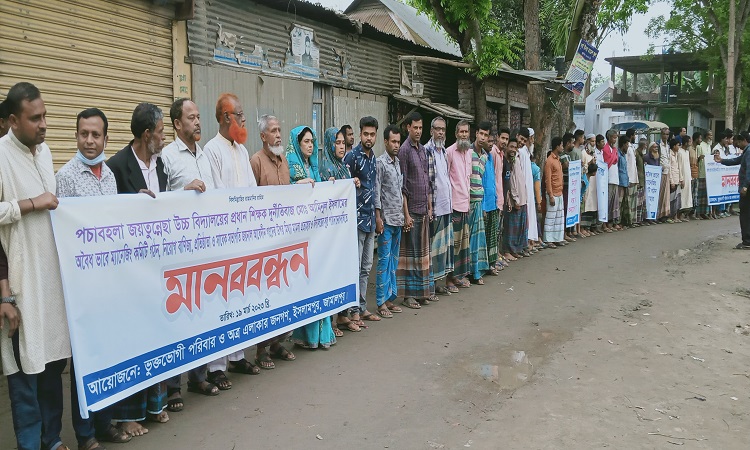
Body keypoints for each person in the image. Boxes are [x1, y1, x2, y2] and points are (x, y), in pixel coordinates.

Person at [56, 108, 133, 449]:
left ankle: (106, 423)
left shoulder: (110, 177)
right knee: (85, 359)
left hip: (109, 284)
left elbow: (114, 221)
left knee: (110, 353)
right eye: (83, 134)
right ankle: (85, 432)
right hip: (82, 287)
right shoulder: (66, 177)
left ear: (105, 138)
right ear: (76, 136)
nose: (89, 141)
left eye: (95, 135)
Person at [0, 82, 69, 450]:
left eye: (45, 116)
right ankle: (30, 443)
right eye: (35, 118)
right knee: (24, 370)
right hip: (20, 284)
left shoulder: (44, 153)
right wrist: (30, 203)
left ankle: (52, 439)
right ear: (13, 120)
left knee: (52, 363)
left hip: (51, 282)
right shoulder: (0, 157)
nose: (43, 124)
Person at [106, 102, 169, 436]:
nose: (164, 137)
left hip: (156, 266)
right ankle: (127, 415)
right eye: (161, 131)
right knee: (132, 341)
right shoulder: (117, 166)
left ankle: (153, 406)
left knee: (156, 332)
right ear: (147, 134)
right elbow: (107, 216)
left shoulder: (160, 166)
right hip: (127, 271)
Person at [161, 98, 220, 409]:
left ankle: (199, 376)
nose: (198, 122)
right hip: (177, 252)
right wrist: (182, 193)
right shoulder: (167, 157)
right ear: (176, 124)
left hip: (204, 248)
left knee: (201, 314)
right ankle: (173, 386)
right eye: (191, 117)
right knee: (176, 319)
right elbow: (156, 201)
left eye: (199, 116)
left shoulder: (204, 156)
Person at [202, 94, 260, 387]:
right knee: (220, 300)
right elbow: (215, 195)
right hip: (223, 239)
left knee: (241, 296)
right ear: (226, 117)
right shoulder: (211, 151)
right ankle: (216, 366)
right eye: (240, 114)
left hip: (244, 236)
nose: (244, 119)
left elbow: (251, 189)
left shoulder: (241, 150)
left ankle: (237, 357)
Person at [247, 114, 299, 367]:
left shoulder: (284, 160)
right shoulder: (256, 161)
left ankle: (279, 342)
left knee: (283, 292)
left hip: (284, 239)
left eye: (280, 129)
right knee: (264, 296)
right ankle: (262, 350)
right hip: (264, 241)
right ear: (262, 136)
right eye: (273, 130)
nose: (278, 134)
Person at [288, 126, 337, 349]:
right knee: (306, 283)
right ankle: (306, 336)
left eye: (311, 141)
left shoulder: (314, 167)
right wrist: (297, 185)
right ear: (297, 144)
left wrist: (336, 187)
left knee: (320, 281)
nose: (310, 145)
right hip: (299, 236)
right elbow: (282, 193)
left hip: (317, 235)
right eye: (306, 141)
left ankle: (322, 335)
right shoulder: (291, 167)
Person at [318, 127, 362, 334]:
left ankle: (343, 316)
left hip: (345, 231)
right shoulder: (326, 168)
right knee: (333, 275)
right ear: (329, 144)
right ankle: (332, 321)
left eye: (343, 143)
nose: (341, 146)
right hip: (331, 234)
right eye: (337, 142)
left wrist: (352, 183)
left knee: (346, 272)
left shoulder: (342, 167)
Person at [343, 117, 382, 321]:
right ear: (360, 134)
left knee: (367, 267)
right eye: (365, 134)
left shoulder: (373, 157)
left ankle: (363, 306)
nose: (369, 138)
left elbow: (374, 189)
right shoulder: (352, 157)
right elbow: (344, 186)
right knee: (356, 266)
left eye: (372, 134)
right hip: (356, 221)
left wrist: (377, 216)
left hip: (370, 220)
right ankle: (353, 311)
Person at [397, 112, 434, 306]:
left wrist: (429, 207)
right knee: (410, 255)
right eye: (415, 128)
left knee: (421, 254)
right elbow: (402, 185)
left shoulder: (422, 150)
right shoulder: (404, 150)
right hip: (411, 210)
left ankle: (421, 292)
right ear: (408, 128)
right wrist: (406, 215)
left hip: (423, 210)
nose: (418, 131)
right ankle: (408, 296)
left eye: (421, 128)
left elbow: (427, 181)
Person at [374, 125, 405, 318]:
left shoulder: (397, 162)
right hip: (386, 221)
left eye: (398, 142)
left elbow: (400, 191)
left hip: (398, 220)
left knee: (393, 261)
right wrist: (378, 217)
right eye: (393, 141)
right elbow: (377, 192)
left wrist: (405, 215)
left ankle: (389, 298)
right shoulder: (380, 163)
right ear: (385, 141)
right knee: (383, 262)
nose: (396, 145)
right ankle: (380, 302)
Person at [425, 117, 454, 297]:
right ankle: (430, 285)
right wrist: (429, 207)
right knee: (433, 249)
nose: (441, 132)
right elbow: (428, 182)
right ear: (431, 131)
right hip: (435, 207)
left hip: (446, 207)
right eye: (437, 129)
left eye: (443, 129)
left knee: (443, 249)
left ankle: (438, 283)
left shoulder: (443, 151)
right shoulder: (427, 151)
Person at [445, 120, 472, 291]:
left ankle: (458, 277)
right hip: (454, 205)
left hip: (465, 204)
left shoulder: (469, 152)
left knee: (463, 244)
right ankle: (448, 280)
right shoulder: (449, 152)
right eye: (461, 132)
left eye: (466, 132)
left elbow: (467, 179)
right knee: (453, 245)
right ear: (456, 134)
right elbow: (447, 178)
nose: (463, 135)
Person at [715, 132, 750, 249]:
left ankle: (747, 241)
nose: (737, 145)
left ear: (744, 140)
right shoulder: (747, 151)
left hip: (747, 189)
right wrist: (722, 161)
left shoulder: (749, 151)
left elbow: (749, 170)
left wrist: (745, 186)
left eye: (738, 142)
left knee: (745, 214)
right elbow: (737, 160)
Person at [481, 122, 502, 274]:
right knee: (483, 238)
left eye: (492, 142)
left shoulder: (489, 157)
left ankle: (491, 264)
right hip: (483, 204)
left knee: (492, 236)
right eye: (488, 142)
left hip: (492, 202)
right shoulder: (479, 157)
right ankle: (483, 266)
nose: (491, 144)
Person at [502, 138, 528, 256]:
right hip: (514, 199)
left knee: (520, 227)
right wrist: (515, 198)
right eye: (511, 147)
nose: (513, 149)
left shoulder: (517, 159)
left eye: (515, 147)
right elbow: (511, 182)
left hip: (522, 197)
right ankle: (510, 250)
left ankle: (518, 249)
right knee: (512, 228)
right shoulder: (508, 162)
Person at [516, 128, 540, 250]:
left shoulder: (525, 151)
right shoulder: (519, 151)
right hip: (522, 187)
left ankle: (531, 239)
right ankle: (526, 241)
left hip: (528, 188)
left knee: (531, 213)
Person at [544, 137, 566, 247]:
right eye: (562, 145)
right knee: (551, 218)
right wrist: (550, 195)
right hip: (553, 193)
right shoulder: (549, 161)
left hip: (559, 192)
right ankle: (548, 240)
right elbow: (548, 179)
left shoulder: (557, 159)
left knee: (559, 218)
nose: (563, 147)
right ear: (557, 146)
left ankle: (557, 238)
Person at [602, 129, 620, 231]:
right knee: (607, 202)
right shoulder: (606, 149)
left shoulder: (614, 149)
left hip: (615, 178)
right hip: (608, 179)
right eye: (614, 137)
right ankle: (605, 223)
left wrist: (614, 156)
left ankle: (612, 222)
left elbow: (616, 159)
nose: (615, 139)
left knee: (614, 202)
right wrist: (614, 156)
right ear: (609, 137)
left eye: (616, 137)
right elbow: (608, 161)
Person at [623, 128, 639, 227]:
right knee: (628, 201)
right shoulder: (627, 148)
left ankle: (633, 220)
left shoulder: (632, 147)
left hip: (634, 177)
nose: (635, 137)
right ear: (631, 136)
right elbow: (626, 164)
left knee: (633, 201)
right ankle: (628, 221)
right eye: (634, 135)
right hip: (629, 177)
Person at [657, 127, 672, 222]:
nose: (665, 136)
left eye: (667, 134)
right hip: (661, 172)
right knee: (661, 194)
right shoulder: (658, 145)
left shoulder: (668, 146)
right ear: (661, 135)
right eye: (664, 134)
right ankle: (659, 215)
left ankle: (665, 215)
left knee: (666, 195)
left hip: (667, 172)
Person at [695, 131, 712, 219]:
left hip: (708, 173)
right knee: (700, 194)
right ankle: (698, 213)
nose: (711, 137)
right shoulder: (700, 146)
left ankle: (704, 212)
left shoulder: (709, 146)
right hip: (701, 172)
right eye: (709, 135)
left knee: (706, 195)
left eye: (712, 135)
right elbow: (696, 160)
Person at [667, 138, 684, 223]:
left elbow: (679, 167)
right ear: (674, 146)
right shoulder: (669, 155)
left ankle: (675, 217)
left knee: (677, 199)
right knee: (672, 199)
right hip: (673, 179)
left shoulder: (678, 154)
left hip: (677, 179)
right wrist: (671, 181)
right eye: (678, 145)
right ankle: (670, 216)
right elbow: (669, 169)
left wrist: (681, 179)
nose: (679, 147)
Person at [678, 134, 694, 220]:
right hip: (683, 177)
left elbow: (688, 165)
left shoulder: (687, 152)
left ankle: (685, 214)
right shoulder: (679, 152)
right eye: (689, 142)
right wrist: (681, 178)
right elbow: (680, 166)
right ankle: (679, 215)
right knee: (682, 196)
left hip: (688, 176)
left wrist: (690, 177)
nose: (690, 143)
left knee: (687, 196)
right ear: (685, 143)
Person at [616, 136, 630, 228]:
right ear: (623, 144)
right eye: (627, 145)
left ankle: (623, 221)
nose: (628, 147)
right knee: (619, 203)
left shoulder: (624, 155)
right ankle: (616, 222)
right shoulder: (618, 154)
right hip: (620, 181)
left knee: (625, 203)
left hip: (625, 181)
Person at [634, 138, 647, 226]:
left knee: (642, 201)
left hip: (642, 179)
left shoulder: (642, 154)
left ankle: (640, 219)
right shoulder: (637, 153)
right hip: (638, 179)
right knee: (638, 201)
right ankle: (636, 219)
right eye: (645, 145)